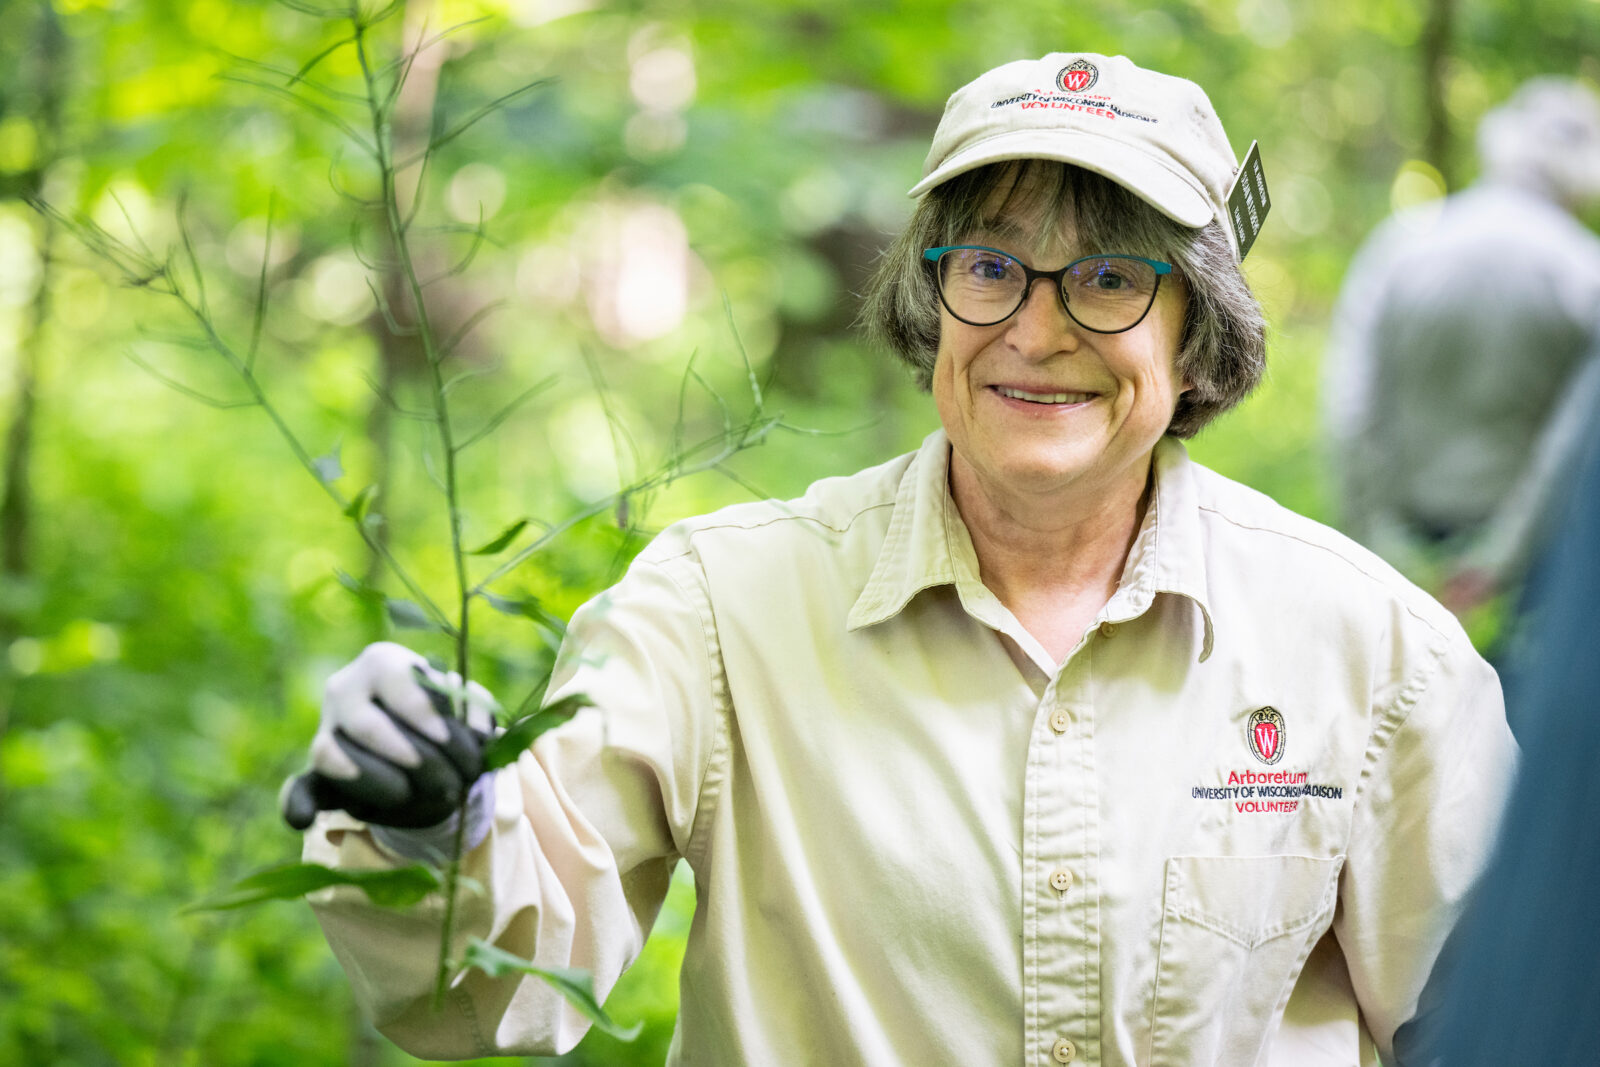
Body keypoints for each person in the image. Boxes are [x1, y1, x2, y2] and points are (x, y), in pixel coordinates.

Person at [286, 53, 1516, 1065]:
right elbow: (495, 992)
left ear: (1197, 333)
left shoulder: (1372, 650)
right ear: (930, 300)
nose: (1035, 329)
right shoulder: (721, 610)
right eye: (988, 266)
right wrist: (432, 822)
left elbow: (1503, 1024)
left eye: (1107, 276)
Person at [1322, 78, 1600, 629]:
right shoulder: (1584, 273)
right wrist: (1496, 562)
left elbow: (1349, 410)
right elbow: (1570, 449)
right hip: (1533, 578)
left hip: (1403, 553)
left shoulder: (1399, 248)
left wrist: (1380, 546)